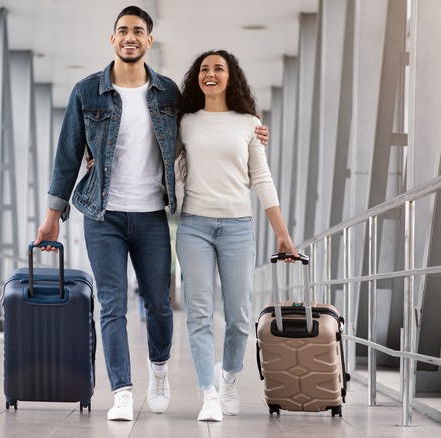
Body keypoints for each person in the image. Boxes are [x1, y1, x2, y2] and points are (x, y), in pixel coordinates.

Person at [35, 7, 268, 421]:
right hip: (101, 214)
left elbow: (203, 123)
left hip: (151, 215)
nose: (129, 37)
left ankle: (158, 370)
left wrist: (250, 127)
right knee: (111, 305)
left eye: (137, 32)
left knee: (159, 305)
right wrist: (53, 214)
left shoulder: (167, 95)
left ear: (149, 40)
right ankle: (122, 391)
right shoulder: (86, 91)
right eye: (122, 31)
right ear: (112, 39)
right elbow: (67, 155)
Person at [174, 49, 298, 422]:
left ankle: (227, 378)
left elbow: (261, 178)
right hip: (194, 225)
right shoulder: (186, 122)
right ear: (197, 77)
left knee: (240, 317)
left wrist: (282, 234)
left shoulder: (248, 123)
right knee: (198, 314)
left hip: (237, 228)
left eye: (218, 69)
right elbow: (156, 157)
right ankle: (208, 394)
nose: (210, 74)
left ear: (232, 77)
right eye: (204, 69)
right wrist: (98, 158)